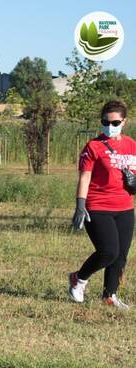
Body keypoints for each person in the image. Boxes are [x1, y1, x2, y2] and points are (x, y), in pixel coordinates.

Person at [69, 100, 134, 310]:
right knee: (108, 251)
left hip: (124, 206)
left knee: (121, 256)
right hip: (98, 206)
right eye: (106, 122)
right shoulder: (93, 146)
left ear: (124, 122)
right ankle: (78, 279)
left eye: (115, 122)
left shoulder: (132, 145)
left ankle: (109, 295)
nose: (110, 126)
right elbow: (85, 177)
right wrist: (80, 205)